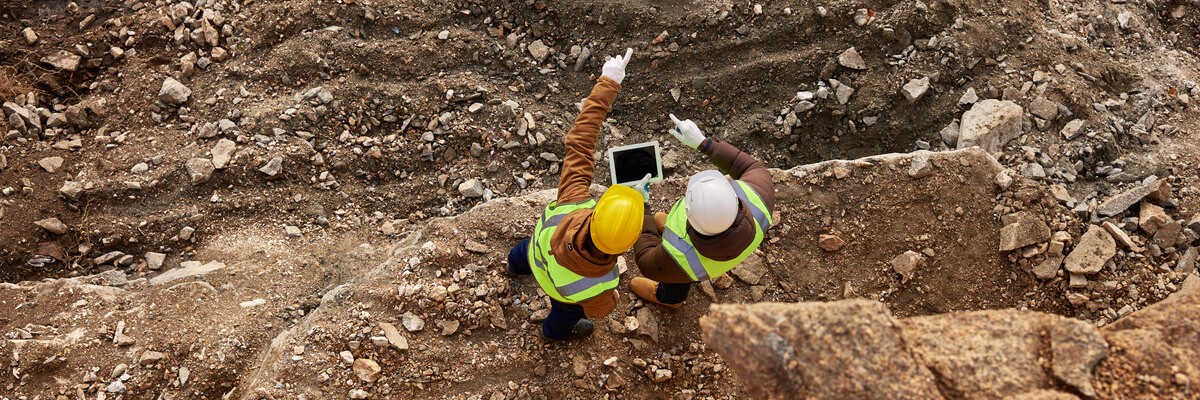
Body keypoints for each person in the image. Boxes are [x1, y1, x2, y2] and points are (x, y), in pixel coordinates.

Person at [507, 48, 646, 340]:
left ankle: (514, 266)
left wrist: (609, 81)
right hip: (561, 294)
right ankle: (552, 333)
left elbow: (581, 139)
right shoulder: (605, 281)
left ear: (598, 211)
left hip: (536, 253)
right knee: (565, 316)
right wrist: (614, 301)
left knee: (522, 253)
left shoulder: (573, 200)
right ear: (626, 245)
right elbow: (598, 310)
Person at [631, 114, 776, 309]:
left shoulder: (678, 257)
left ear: (688, 214)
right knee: (679, 266)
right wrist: (704, 143)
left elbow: (645, 258)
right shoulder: (760, 201)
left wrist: (643, 206)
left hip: (684, 265)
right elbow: (750, 166)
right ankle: (668, 231)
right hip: (725, 248)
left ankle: (670, 299)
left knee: (677, 279)